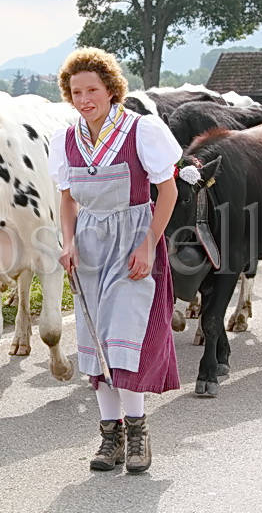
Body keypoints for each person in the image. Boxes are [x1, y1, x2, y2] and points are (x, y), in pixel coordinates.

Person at [48, 47, 181, 473]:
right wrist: (67, 243)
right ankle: (111, 436)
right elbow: (67, 200)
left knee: (124, 337)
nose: (84, 98)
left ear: (110, 89)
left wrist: (147, 244)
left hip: (132, 243)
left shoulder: (142, 131)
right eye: (76, 91)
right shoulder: (65, 139)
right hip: (88, 246)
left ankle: (139, 431)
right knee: (96, 344)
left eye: (92, 89)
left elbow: (169, 192)